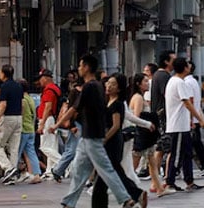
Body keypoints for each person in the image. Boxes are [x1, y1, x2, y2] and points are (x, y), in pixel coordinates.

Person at [53, 54, 139, 208]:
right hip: (88, 136)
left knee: (106, 169)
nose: (79, 69)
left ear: (86, 67)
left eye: (80, 66)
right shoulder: (98, 86)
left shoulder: (90, 86)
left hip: (92, 136)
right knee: (79, 171)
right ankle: (68, 202)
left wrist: (57, 124)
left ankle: (125, 198)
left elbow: (74, 108)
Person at [92, 74, 146, 208]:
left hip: (113, 142)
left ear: (119, 89)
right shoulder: (108, 101)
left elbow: (116, 125)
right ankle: (133, 195)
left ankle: (133, 195)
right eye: (108, 83)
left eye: (113, 84)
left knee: (107, 174)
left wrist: (104, 139)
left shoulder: (117, 104)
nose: (109, 86)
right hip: (110, 141)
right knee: (114, 172)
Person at [163, 57, 204, 191]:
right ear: (185, 68)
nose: (189, 67)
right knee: (177, 155)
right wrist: (199, 119)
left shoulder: (173, 81)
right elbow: (187, 102)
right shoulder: (179, 82)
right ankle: (170, 181)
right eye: (187, 65)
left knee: (187, 153)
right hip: (178, 126)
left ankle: (189, 181)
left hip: (182, 125)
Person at [0, 64, 24, 184]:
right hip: (18, 117)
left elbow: (3, 105)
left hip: (7, 118)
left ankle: (8, 168)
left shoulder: (4, 86)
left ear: (3, 73)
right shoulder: (18, 86)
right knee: (14, 148)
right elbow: (22, 104)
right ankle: (12, 174)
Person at [36, 69, 62, 178]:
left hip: (47, 119)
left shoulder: (49, 90)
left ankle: (63, 164)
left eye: (40, 79)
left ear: (46, 78)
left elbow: (48, 107)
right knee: (52, 146)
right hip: (50, 119)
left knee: (44, 147)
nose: (39, 81)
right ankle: (50, 171)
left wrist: (42, 124)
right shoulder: (54, 88)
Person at [185, 64, 204, 175]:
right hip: (194, 118)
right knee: (195, 144)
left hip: (191, 119)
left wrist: (191, 119)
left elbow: (190, 102)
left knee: (193, 145)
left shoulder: (187, 83)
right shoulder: (194, 82)